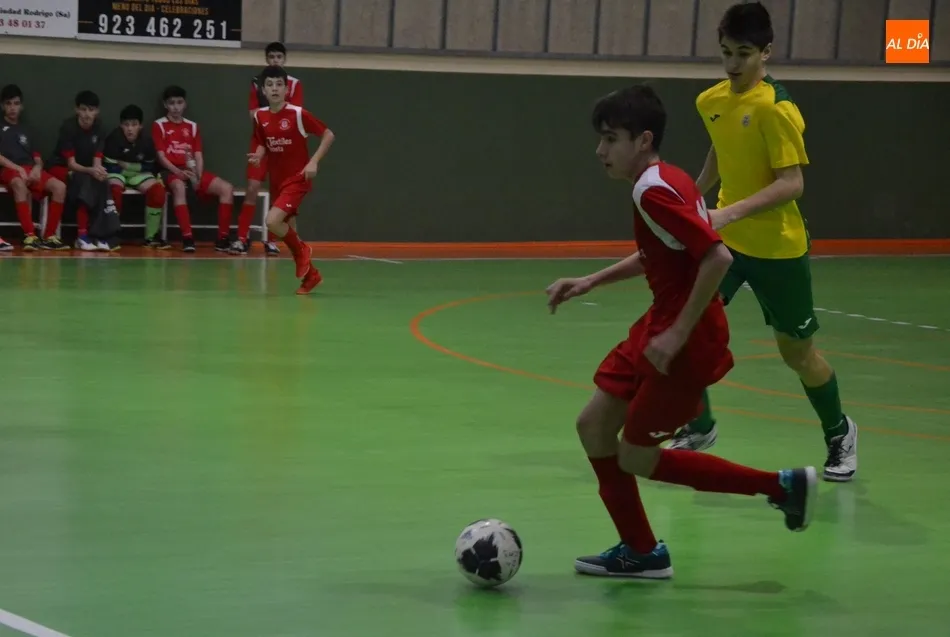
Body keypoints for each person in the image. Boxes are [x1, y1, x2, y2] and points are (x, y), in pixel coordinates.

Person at [545, 85, 816, 579]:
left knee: (637, 456)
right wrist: (591, 280)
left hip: (684, 337)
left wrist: (676, 335)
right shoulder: (666, 180)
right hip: (662, 322)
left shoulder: (653, 190)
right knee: (593, 426)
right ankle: (641, 551)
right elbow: (660, 251)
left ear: (644, 140)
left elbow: (717, 257)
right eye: (600, 139)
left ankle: (780, 486)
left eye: (611, 139)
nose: (601, 150)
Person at [668, 1, 858, 483]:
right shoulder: (711, 101)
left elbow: (792, 183)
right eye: (726, 52)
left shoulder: (777, 108)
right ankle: (701, 425)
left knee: (798, 355)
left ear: (766, 52)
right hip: (727, 246)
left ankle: (839, 432)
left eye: (744, 53)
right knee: (682, 323)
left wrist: (728, 210)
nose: (732, 64)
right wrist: (693, 198)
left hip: (778, 249)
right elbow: (722, 147)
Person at [248, 65, 334, 294]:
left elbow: (328, 134)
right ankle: (311, 276)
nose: (274, 88)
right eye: (270, 85)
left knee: (272, 221)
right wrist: (258, 155)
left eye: (279, 84)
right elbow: (262, 143)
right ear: (263, 90)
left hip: (297, 179)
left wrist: (314, 161)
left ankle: (304, 250)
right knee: (289, 233)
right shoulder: (260, 116)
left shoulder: (297, 114)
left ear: (287, 89)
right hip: (276, 180)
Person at [232, 41, 305, 256]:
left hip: (283, 146)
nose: (275, 60)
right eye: (271, 57)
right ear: (266, 59)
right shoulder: (257, 83)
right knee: (252, 187)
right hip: (261, 140)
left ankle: (272, 240)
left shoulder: (294, 84)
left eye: (278, 57)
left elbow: (295, 114)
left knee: (279, 192)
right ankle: (241, 238)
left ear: (284, 59)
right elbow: (253, 114)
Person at [152, 85, 235, 252]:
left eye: (179, 102)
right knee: (179, 187)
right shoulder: (159, 125)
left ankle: (223, 239)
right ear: (165, 105)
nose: (176, 107)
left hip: (192, 171)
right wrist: (178, 172)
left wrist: (197, 176)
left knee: (227, 188)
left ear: (185, 104)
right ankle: (187, 238)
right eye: (172, 103)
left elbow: (198, 155)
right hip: (171, 171)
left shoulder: (193, 126)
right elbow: (161, 156)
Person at [0, 84, 68, 251]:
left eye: (16, 103)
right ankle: (29, 235)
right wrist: (18, 169)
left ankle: (50, 236)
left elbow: (37, 158)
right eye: (8, 104)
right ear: (3, 106)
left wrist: (37, 168)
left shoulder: (28, 130)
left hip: (30, 169)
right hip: (9, 170)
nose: (12, 108)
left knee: (60, 187)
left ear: (21, 106)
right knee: (19, 184)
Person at [46, 90, 109, 251]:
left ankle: (99, 233)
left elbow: (97, 160)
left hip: (84, 169)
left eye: (91, 110)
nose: (87, 114)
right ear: (76, 110)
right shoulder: (68, 127)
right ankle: (81, 236)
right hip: (59, 167)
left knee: (102, 181)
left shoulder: (100, 128)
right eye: (83, 109)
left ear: (97, 111)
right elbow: (71, 164)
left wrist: (99, 171)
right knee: (83, 181)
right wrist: (91, 171)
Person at [103, 104, 169, 249]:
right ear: (121, 125)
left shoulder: (147, 141)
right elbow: (110, 166)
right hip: (116, 174)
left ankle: (151, 237)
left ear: (140, 126)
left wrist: (128, 166)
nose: (130, 129)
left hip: (136, 174)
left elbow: (149, 166)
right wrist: (133, 169)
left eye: (134, 124)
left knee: (158, 191)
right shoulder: (113, 138)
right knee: (114, 190)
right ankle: (111, 234)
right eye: (126, 125)